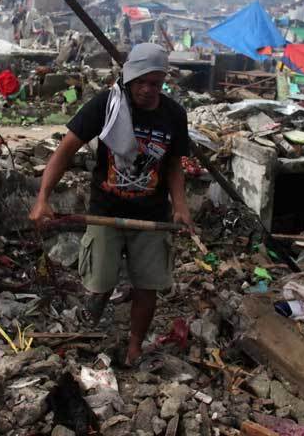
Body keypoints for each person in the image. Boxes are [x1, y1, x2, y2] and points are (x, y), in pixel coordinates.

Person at [29, 43, 193, 365]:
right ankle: (91, 328)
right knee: (99, 280)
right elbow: (66, 150)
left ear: (163, 81)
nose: (147, 90)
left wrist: (181, 207)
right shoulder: (107, 105)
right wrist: (43, 197)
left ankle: (134, 347)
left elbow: (173, 164)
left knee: (148, 285)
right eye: (141, 82)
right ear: (128, 77)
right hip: (106, 209)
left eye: (155, 83)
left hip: (151, 214)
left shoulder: (173, 115)